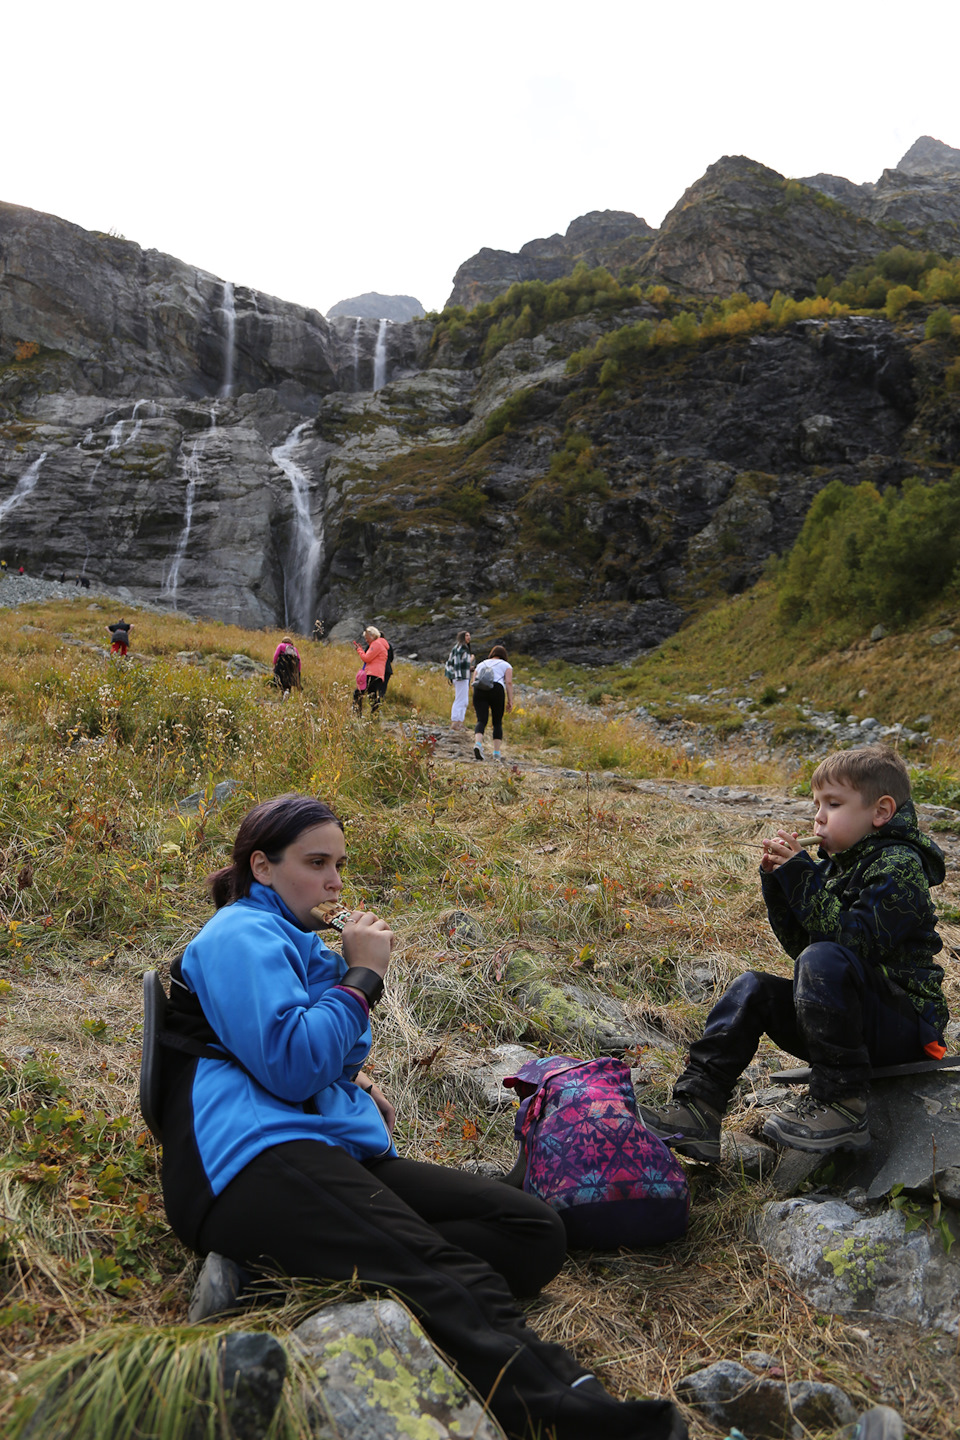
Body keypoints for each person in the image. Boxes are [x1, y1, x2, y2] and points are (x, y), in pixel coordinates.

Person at [157, 794, 684, 1440]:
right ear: (262, 867)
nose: (334, 882)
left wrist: (356, 1065)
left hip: (316, 1148)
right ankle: (587, 1420)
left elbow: (323, 1058)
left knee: (532, 1233)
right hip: (251, 1162)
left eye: (340, 864)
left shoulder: (296, 941)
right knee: (445, 1272)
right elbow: (291, 1065)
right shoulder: (239, 932)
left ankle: (278, 1271)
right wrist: (362, 979)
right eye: (316, 862)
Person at [640, 746, 949, 1159]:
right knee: (753, 988)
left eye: (833, 804)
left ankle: (842, 1102)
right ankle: (699, 1106)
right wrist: (779, 884)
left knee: (823, 959)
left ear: (881, 811)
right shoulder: (839, 865)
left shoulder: (900, 865)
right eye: (816, 804)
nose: (819, 817)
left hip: (906, 1029)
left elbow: (853, 945)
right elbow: (804, 949)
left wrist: (801, 875)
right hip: (852, 1026)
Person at [473, 644, 513, 762]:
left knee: (481, 720)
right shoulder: (506, 665)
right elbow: (509, 682)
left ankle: (478, 744)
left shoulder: (481, 664)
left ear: (491, 654)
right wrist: (510, 700)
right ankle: (496, 753)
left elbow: (474, 681)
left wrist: (474, 698)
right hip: (496, 689)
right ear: (504, 655)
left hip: (479, 690)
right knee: (497, 722)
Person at [353, 625, 389, 716]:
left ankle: (358, 714)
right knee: (371, 696)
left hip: (372, 674)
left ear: (372, 635)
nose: (366, 640)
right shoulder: (381, 644)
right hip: (378, 674)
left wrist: (359, 650)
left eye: (367, 638)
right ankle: (374, 717)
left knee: (359, 694)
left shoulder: (376, 644)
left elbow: (366, 658)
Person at [445, 630, 474, 728]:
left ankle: (460, 721)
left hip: (462, 676)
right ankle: (455, 721)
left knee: (463, 700)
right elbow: (458, 663)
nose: (469, 637)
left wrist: (469, 668)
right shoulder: (461, 648)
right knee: (461, 699)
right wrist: (471, 660)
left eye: (469, 635)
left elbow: (458, 663)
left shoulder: (459, 648)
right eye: (466, 636)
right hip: (460, 677)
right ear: (462, 637)